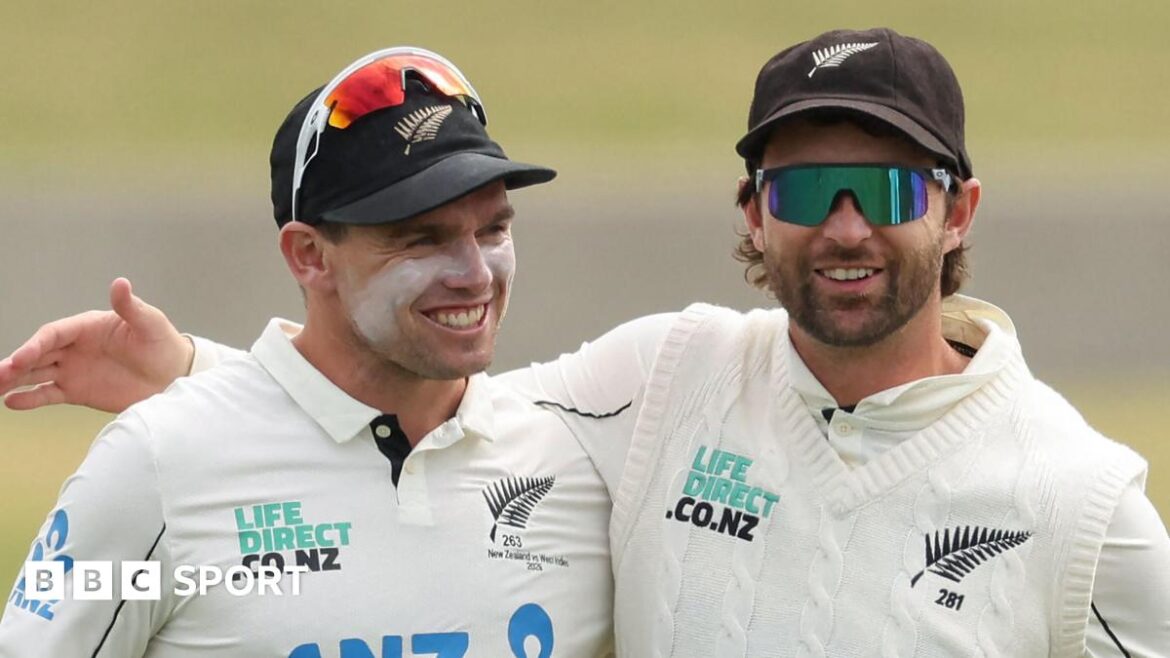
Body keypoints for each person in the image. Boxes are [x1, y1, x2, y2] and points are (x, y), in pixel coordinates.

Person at [4, 28, 1168, 657]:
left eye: (882, 184)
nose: (846, 226)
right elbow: (399, 411)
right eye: (806, 190)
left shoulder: (1080, 503)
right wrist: (211, 390)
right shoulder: (661, 384)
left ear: (957, 209)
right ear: (754, 213)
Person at [0, 47, 615, 656]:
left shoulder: (578, 468)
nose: (475, 273)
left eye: (493, 230)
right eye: (421, 240)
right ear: (310, 255)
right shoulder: (156, 465)